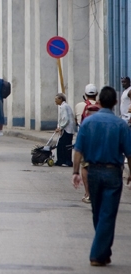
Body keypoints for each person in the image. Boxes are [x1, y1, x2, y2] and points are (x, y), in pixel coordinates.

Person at [72, 86, 131, 267]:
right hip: (113, 173)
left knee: (98, 212)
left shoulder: (88, 123)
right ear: (115, 102)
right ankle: (97, 255)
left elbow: (78, 150)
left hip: (93, 172)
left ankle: (103, 252)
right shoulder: (121, 125)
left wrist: (75, 172)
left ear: (99, 102)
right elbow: (129, 153)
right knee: (107, 214)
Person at [54, 93, 75, 167]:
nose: (55, 101)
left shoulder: (64, 107)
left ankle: (64, 161)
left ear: (60, 99)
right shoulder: (64, 106)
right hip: (68, 129)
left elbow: (65, 119)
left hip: (67, 129)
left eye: (56, 99)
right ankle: (64, 161)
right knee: (65, 145)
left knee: (63, 145)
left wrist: (60, 127)